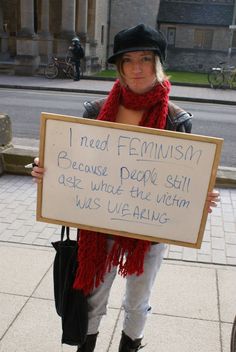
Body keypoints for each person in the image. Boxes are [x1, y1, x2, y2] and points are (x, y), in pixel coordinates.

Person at [32, 24, 220, 352]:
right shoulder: (95, 112)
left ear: (158, 64)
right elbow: (74, 162)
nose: (136, 67)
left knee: (138, 300)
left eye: (145, 59)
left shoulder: (177, 120)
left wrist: (199, 199)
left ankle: (129, 347)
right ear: (119, 67)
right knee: (93, 297)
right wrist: (45, 171)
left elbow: (186, 179)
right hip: (100, 224)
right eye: (128, 60)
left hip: (150, 229)